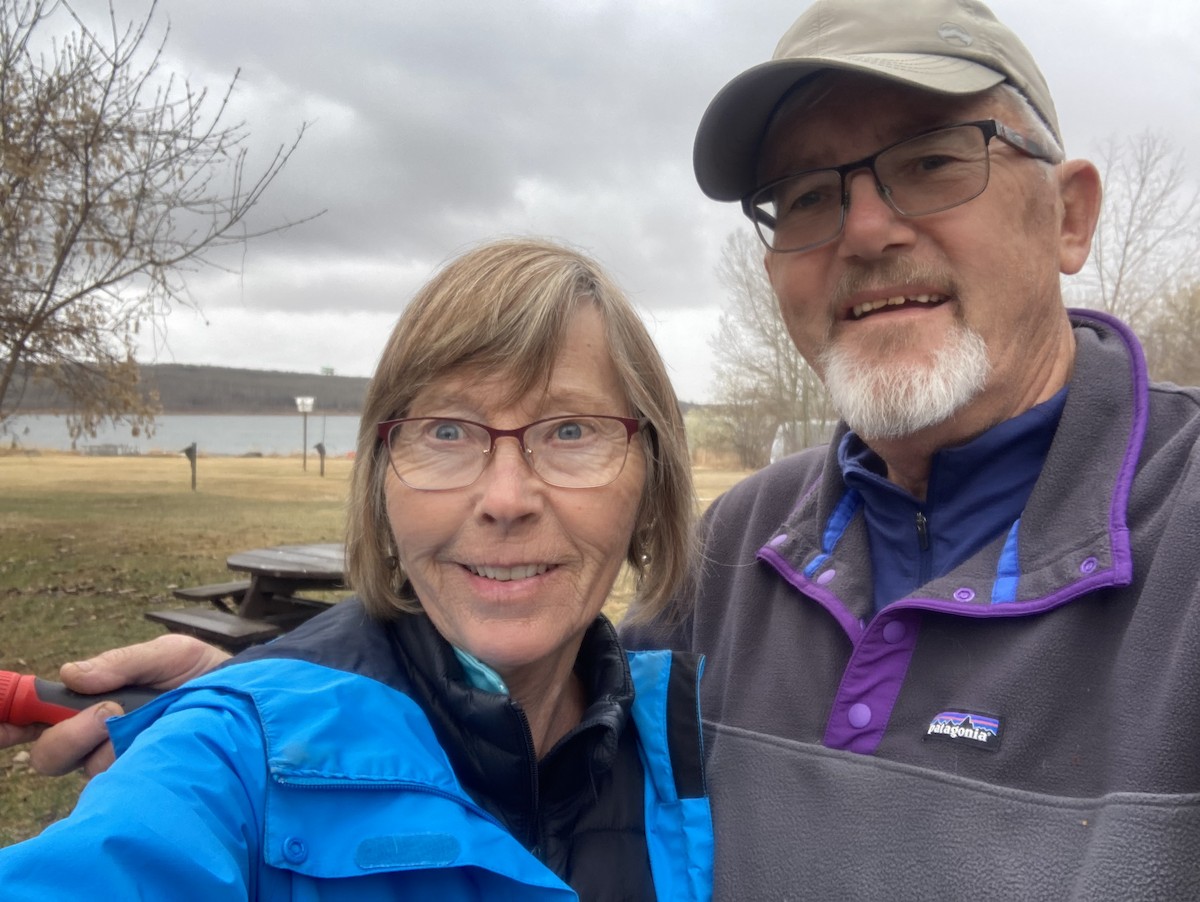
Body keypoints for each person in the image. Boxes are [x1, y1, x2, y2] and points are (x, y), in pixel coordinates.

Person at [10, 0, 1200, 897]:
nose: (869, 228)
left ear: (1073, 211)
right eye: (809, 196)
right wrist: (282, 675)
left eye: (935, 159)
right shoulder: (751, 549)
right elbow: (523, 679)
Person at [0, 238, 714, 901]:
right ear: (381, 484)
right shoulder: (231, 753)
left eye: (569, 430)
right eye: (446, 431)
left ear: (652, 484)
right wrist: (259, 696)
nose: (506, 499)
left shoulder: (707, 738)